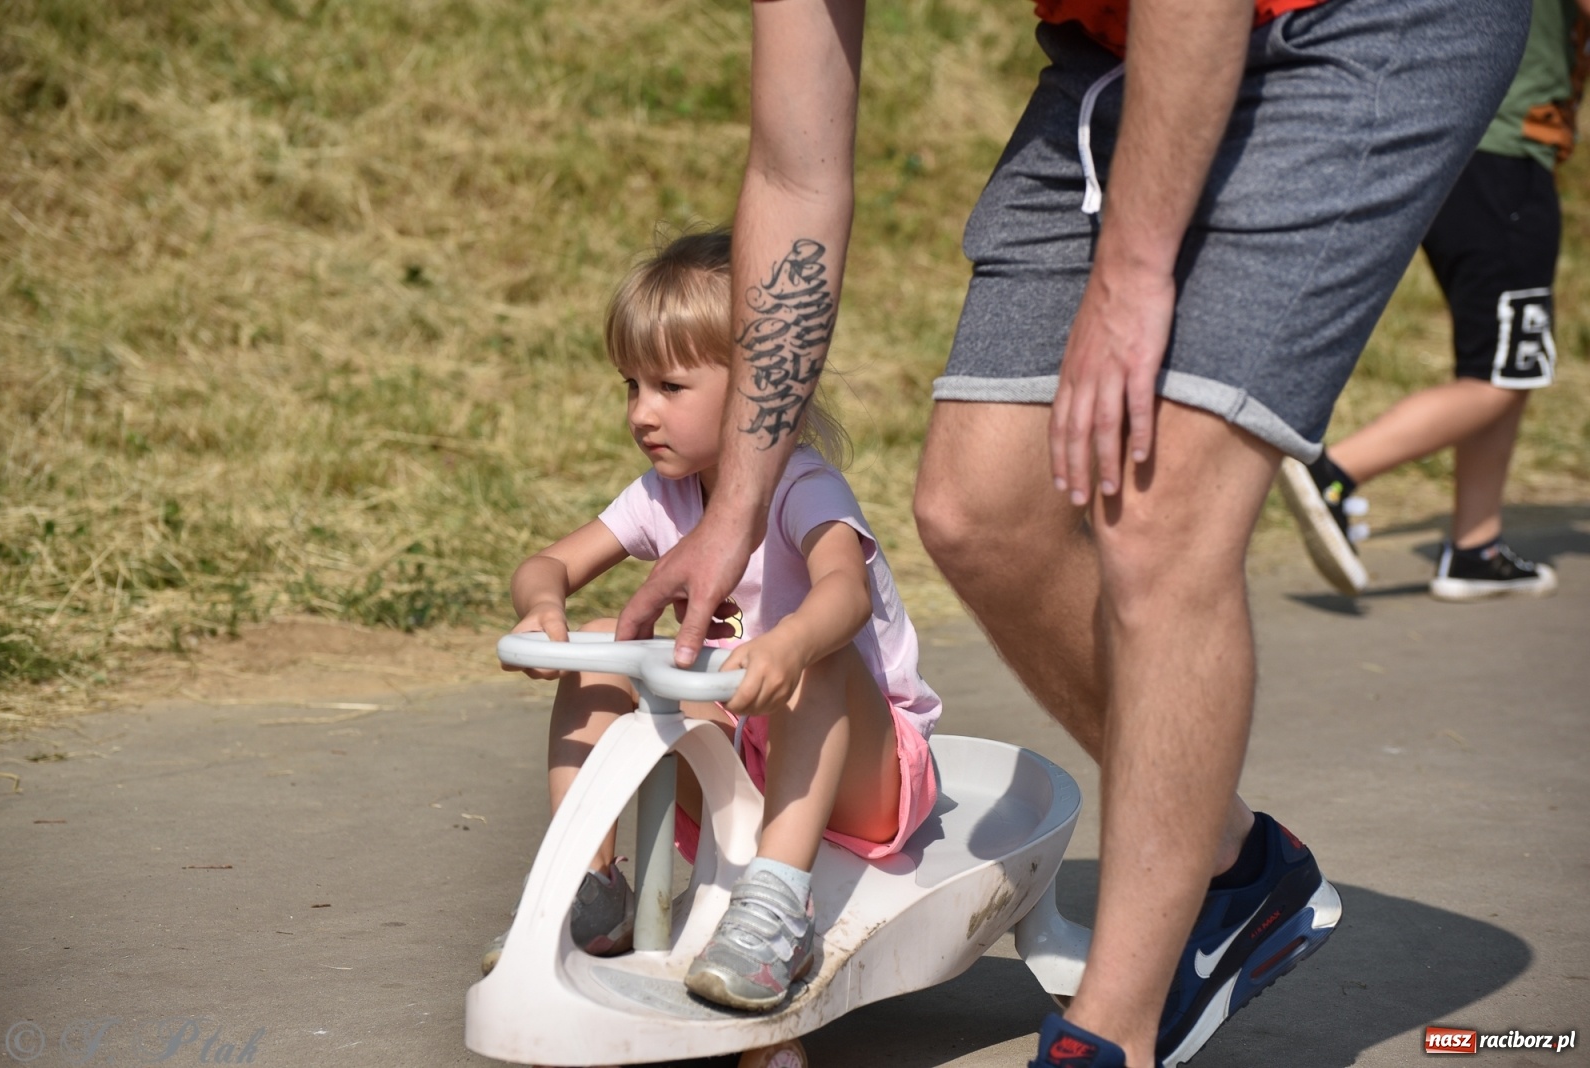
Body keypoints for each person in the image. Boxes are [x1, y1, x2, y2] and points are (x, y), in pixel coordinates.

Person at [615, 0, 1529, 1064]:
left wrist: (1132, 276)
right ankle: (1236, 866)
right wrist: (734, 509)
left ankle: (1114, 1032)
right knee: (979, 509)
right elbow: (792, 175)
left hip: (1369, 24)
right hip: (1122, 48)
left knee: (1155, 511)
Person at [489, 229, 941, 1013]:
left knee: (818, 651)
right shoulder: (664, 495)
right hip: (741, 746)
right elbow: (550, 563)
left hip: (866, 770)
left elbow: (846, 592)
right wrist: (542, 605)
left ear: (756, 392)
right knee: (602, 641)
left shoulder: (802, 484)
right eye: (630, 386)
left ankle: (777, 909)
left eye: (669, 386)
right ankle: (588, 885)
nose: (642, 412)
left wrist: (791, 641)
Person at [1279, 0, 1586, 602]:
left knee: (1499, 365)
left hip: (1456, 147)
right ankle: (1334, 475)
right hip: (1506, 156)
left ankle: (1477, 546)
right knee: (1503, 374)